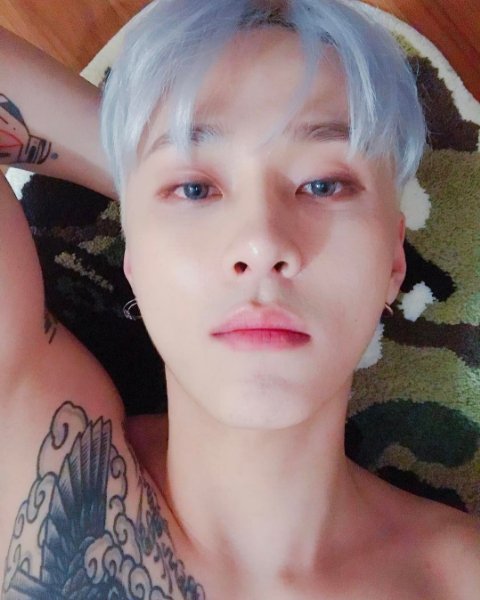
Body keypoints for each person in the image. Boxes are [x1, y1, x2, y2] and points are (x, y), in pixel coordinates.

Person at [1, 1, 479, 598]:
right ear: (135, 261)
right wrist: (140, 168)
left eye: (322, 184)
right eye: (195, 190)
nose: (261, 242)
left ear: (394, 264)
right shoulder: (39, 453)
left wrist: (171, 176)